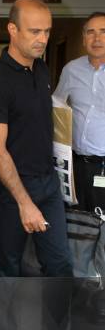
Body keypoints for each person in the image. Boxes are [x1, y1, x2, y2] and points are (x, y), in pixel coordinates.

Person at [0, 0, 90, 330]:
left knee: (59, 263)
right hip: (12, 191)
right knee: (7, 266)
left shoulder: (41, 70)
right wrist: (24, 202)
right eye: (35, 31)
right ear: (12, 30)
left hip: (47, 185)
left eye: (47, 31)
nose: (42, 39)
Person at [54, 12, 105, 213]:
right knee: (77, 220)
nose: (97, 38)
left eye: (103, 32)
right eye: (90, 32)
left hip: (103, 164)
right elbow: (57, 108)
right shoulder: (71, 70)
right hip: (75, 165)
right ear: (84, 39)